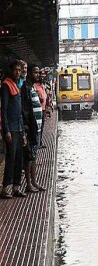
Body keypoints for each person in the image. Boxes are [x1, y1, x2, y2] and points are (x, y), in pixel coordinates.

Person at [1, 60, 28, 198]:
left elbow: (19, 112)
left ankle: (16, 187)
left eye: (19, 70)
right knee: (10, 158)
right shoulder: (6, 86)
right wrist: (6, 130)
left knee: (19, 158)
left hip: (18, 127)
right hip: (11, 128)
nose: (18, 72)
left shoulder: (16, 86)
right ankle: (5, 188)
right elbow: (3, 110)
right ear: (10, 70)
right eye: (16, 70)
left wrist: (23, 132)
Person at [20, 64, 45, 192]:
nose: (38, 75)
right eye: (36, 73)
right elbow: (24, 110)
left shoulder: (32, 87)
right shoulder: (26, 88)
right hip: (30, 128)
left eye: (39, 73)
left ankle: (34, 182)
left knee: (33, 155)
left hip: (37, 128)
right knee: (29, 156)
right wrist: (25, 129)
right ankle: (28, 184)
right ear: (29, 73)